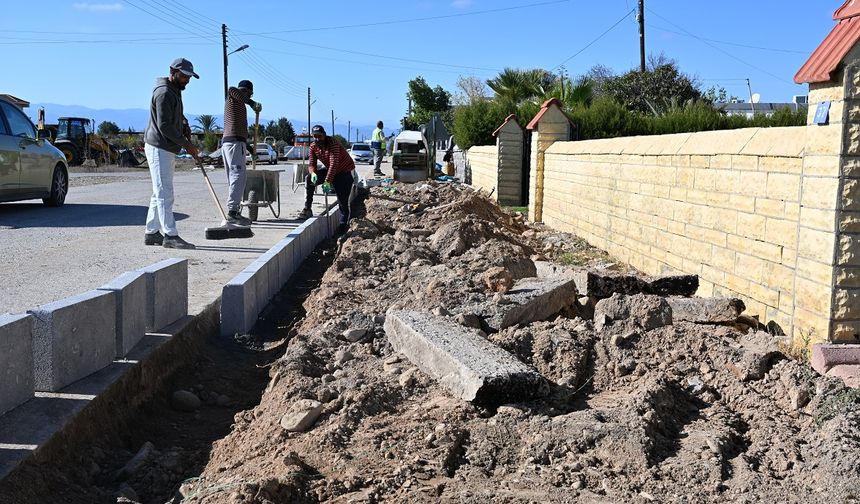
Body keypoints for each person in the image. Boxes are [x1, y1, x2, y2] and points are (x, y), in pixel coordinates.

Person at [143, 57, 199, 249]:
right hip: (159, 147)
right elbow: (164, 125)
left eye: (189, 77)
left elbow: (173, 116)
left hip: (166, 148)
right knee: (165, 192)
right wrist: (187, 145)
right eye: (184, 76)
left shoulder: (174, 90)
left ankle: (151, 232)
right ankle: (170, 235)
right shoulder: (164, 92)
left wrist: (183, 123)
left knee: (159, 191)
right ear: (172, 72)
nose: (187, 81)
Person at [299, 125, 355, 234]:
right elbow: (311, 163)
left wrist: (327, 181)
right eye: (315, 136)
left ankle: (343, 226)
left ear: (324, 135)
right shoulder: (313, 146)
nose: (317, 139)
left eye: (319, 136)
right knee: (309, 179)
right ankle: (307, 209)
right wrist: (313, 173)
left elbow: (334, 164)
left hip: (344, 172)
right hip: (330, 169)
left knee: (342, 201)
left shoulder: (332, 144)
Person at [221, 79, 262, 225]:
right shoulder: (233, 95)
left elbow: (240, 132)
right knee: (238, 176)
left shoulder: (239, 104)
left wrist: (250, 149)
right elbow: (232, 89)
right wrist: (251, 103)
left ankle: (235, 211)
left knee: (235, 177)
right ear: (245, 91)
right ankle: (232, 212)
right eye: (249, 94)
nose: (249, 97)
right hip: (234, 143)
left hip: (234, 142)